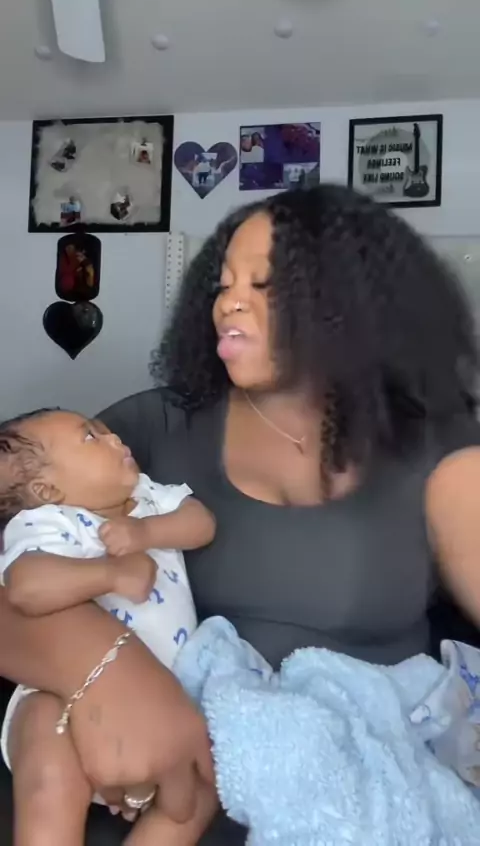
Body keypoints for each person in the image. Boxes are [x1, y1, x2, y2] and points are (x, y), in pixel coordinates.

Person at [2, 183, 480, 846]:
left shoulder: (439, 450)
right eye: (224, 283)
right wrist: (105, 671)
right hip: (161, 792)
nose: (228, 302)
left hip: (358, 795)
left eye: (265, 284)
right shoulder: (148, 432)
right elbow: (21, 556)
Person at [0, 409, 216, 846]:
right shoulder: (49, 524)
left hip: (178, 696)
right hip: (65, 696)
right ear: (47, 491)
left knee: (205, 782)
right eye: (90, 437)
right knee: (46, 756)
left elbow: (201, 525)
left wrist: (146, 533)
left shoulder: (147, 495)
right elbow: (26, 587)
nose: (113, 437)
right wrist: (109, 575)